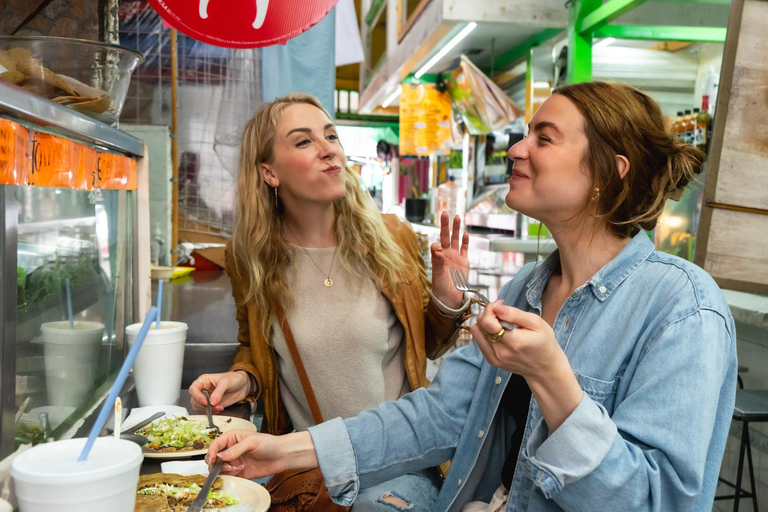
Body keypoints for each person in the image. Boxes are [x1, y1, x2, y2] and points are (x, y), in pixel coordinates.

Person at [203, 81, 738, 512]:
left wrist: (553, 380)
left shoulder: (682, 309)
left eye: (544, 138)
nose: (517, 148)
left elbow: (656, 499)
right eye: (525, 133)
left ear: (607, 171)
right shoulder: (526, 289)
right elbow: (438, 416)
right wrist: (283, 450)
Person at [190, 93, 472, 509]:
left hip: (399, 464)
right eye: (304, 142)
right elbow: (258, 348)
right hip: (308, 467)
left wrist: (447, 303)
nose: (328, 150)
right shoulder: (250, 257)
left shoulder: (391, 237)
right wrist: (243, 380)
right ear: (269, 172)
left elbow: (424, 347)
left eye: (331, 136)